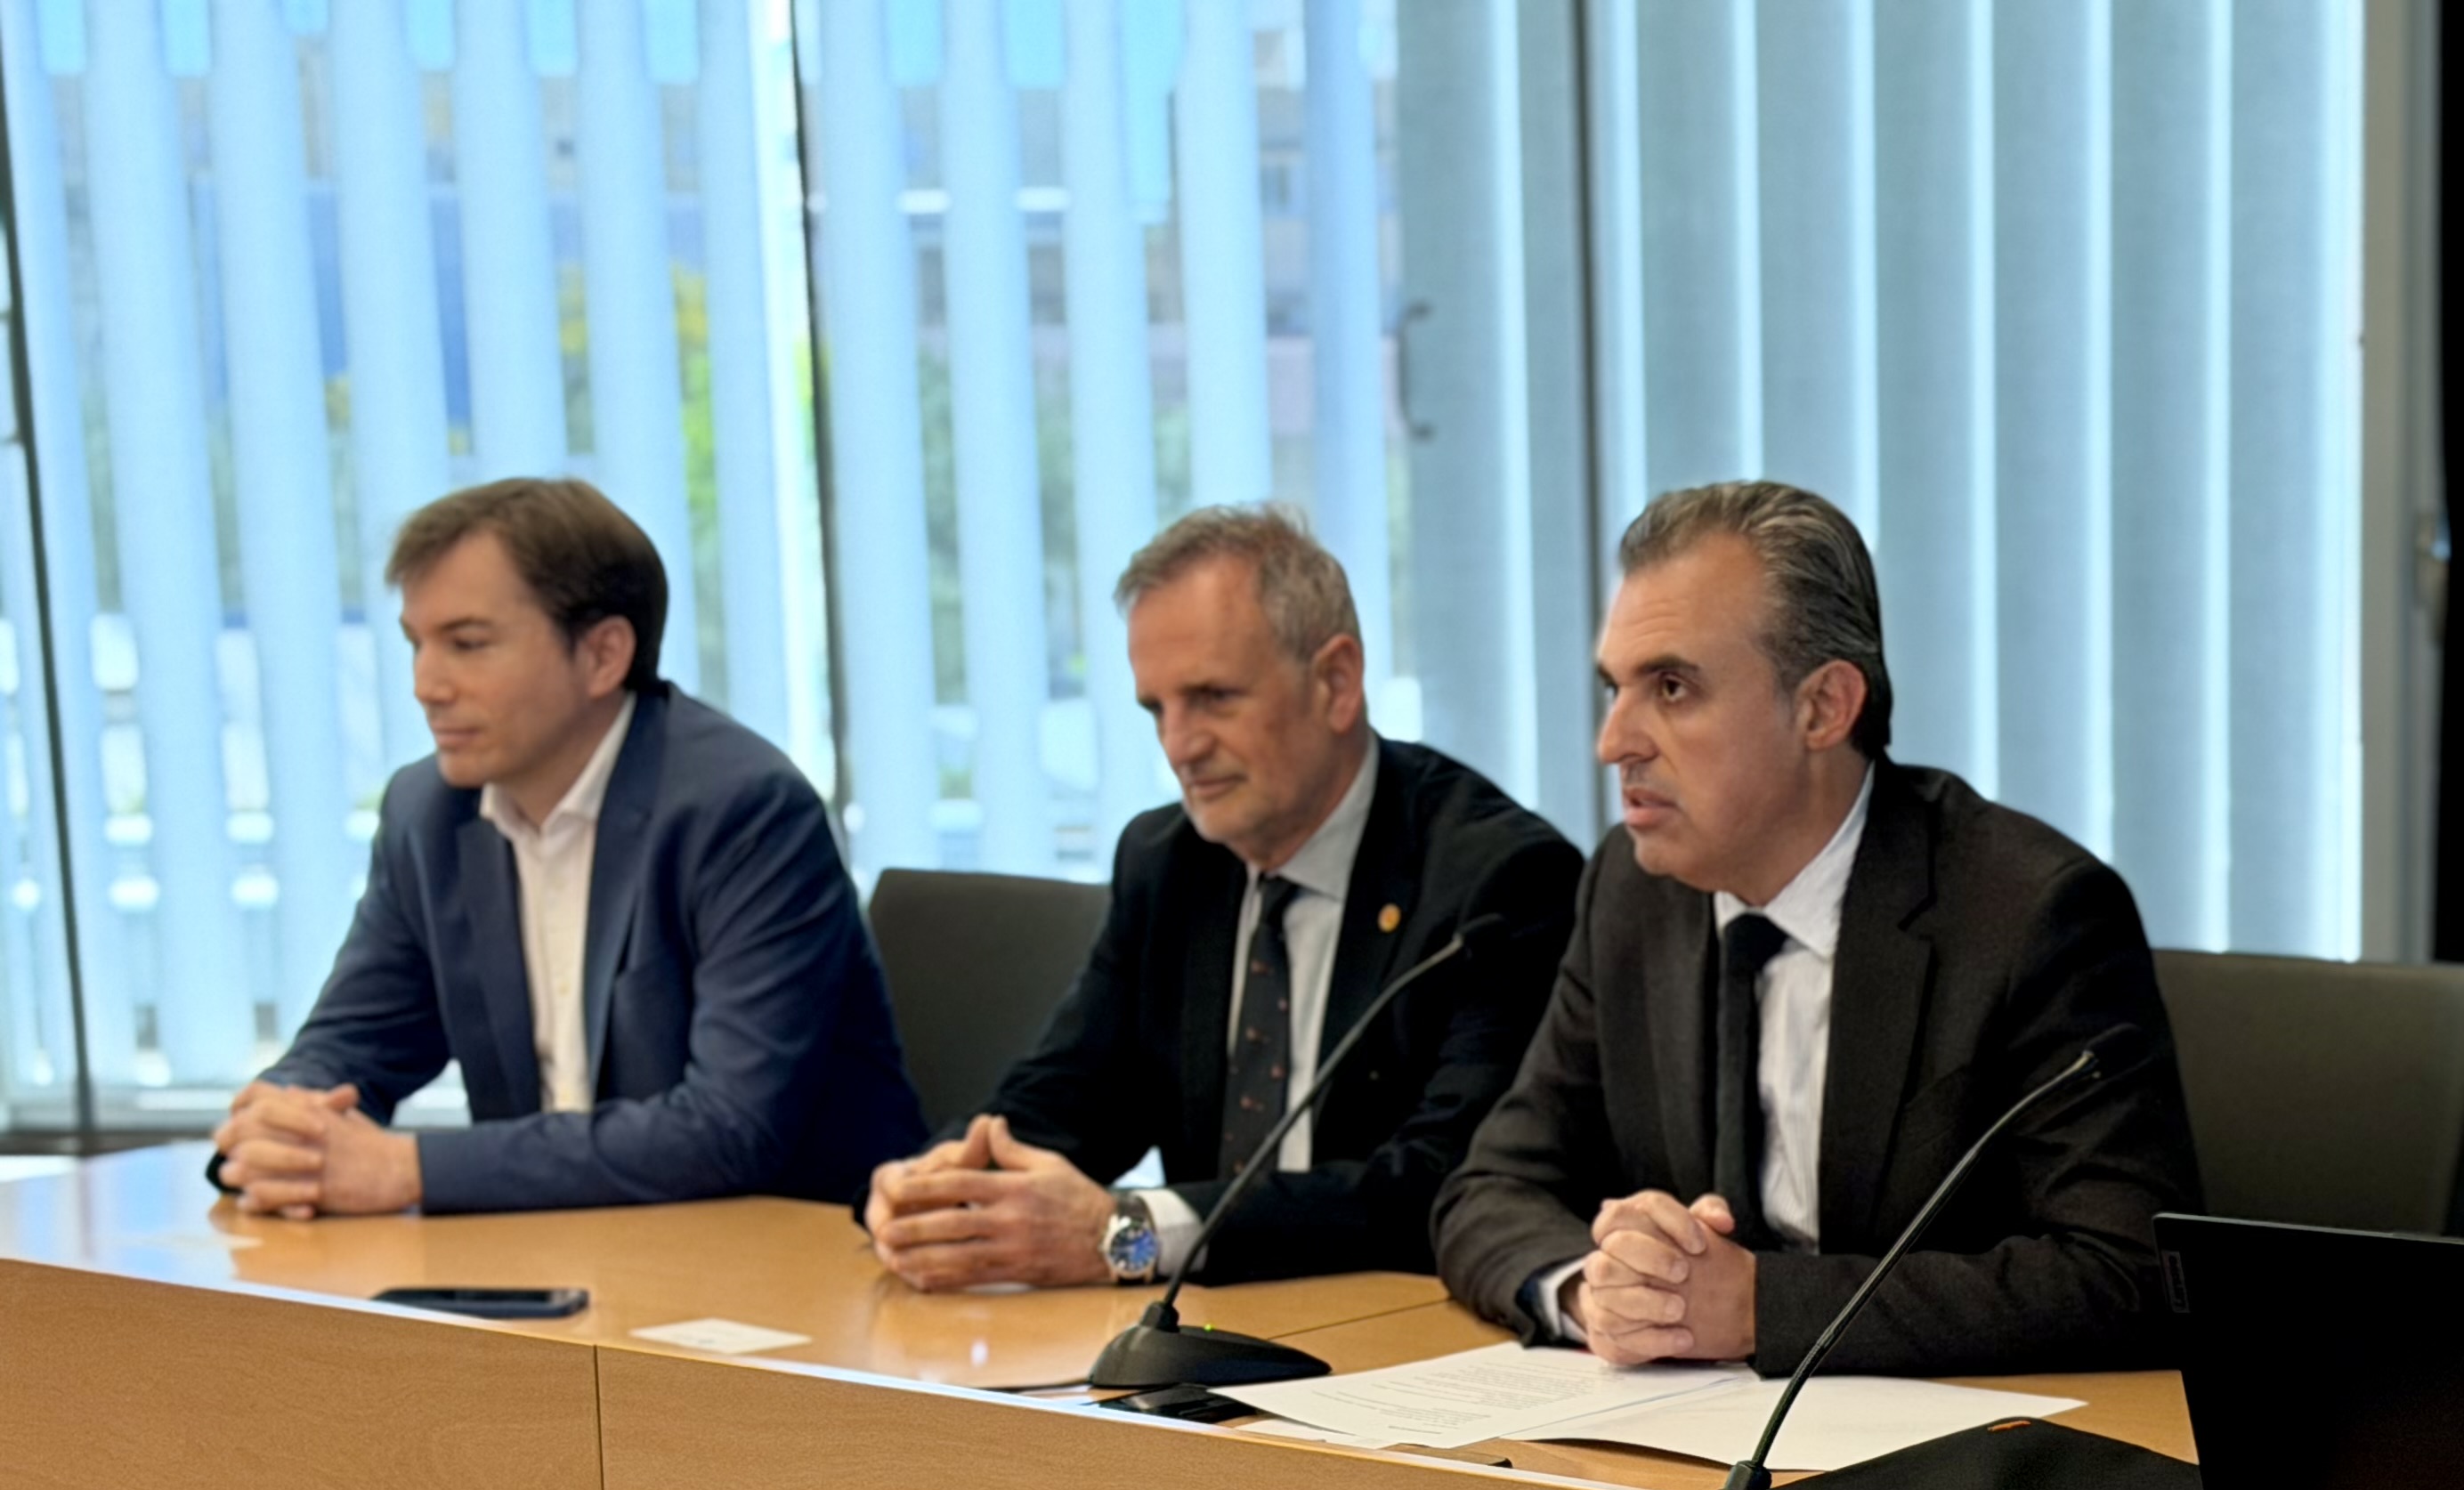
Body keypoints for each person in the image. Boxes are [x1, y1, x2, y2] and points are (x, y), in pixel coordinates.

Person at [1432, 482, 2198, 1374]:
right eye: (1615, 688)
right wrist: (1594, 1289)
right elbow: (1491, 1187)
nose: (1614, 743)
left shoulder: (2029, 912)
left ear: (1824, 708)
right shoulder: (1633, 892)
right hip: (1682, 1449)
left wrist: (1762, 1306)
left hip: (1946, 1470)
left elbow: (2129, 1274)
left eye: (1672, 687)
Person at [863, 506, 1579, 1291]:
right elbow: (1070, 1096)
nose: (1179, 745)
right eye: (1156, 709)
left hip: (1396, 1334)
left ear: (1336, 683)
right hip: (1202, 1339)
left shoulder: (1497, 881)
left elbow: (1441, 1183)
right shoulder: (1168, 861)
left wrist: (1130, 1234)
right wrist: (943, 1185)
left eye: (1212, 698)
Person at [212, 480, 920, 1215]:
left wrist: (410, 1169)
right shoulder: (428, 813)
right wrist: (280, 1122)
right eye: (416, 644)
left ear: (603, 655)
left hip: (783, 1260)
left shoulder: (741, 810)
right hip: (554, 1254)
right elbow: (353, 1044)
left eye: (467, 644)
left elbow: (727, 1130)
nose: (426, 685)